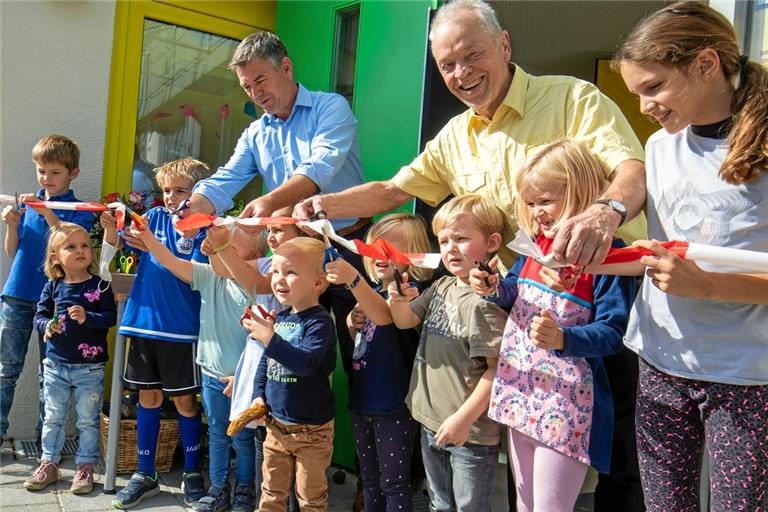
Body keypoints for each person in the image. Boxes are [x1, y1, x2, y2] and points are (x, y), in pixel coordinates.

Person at [296, 0, 646, 269]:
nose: (462, 73)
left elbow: (631, 170)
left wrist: (604, 213)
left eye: (473, 54)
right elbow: (392, 191)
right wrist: (324, 204)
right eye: (447, 65)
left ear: (504, 45)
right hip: (530, 298)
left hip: (608, 287)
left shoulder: (572, 98)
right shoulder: (453, 138)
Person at [611, 2, 768, 510]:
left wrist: (708, 287)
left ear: (705, 64)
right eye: (637, 93)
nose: (644, 106)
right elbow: (661, 254)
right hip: (661, 359)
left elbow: (695, 274)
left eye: (653, 87)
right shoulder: (660, 147)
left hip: (746, 377)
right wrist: (589, 259)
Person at [185, 30, 368, 402]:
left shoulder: (330, 108)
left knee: (359, 355)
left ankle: (363, 454)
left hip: (345, 247)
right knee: (287, 357)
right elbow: (227, 178)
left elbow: (320, 168)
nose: (255, 94)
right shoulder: (255, 133)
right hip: (293, 256)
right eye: (246, 87)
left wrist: (269, 202)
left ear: (285, 68)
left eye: (260, 81)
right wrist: (198, 202)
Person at [469, 139, 635, 511]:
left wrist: (563, 338)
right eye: (530, 203)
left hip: (565, 405)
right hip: (518, 394)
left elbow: (613, 333)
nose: (536, 212)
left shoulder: (610, 257)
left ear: (581, 190)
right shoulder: (537, 246)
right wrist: (494, 287)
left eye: (545, 200)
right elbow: (513, 291)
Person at [387, 195, 508, 512]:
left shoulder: (486, 302)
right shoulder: (441, 287)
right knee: (439, 504)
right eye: (443, 241)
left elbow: (496, 371)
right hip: (431, 421)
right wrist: (397, 300)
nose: (451, 248)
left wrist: (461, 420)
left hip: (470, 433)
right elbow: (404, 320)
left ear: (492, 242)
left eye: (461, 238)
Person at [131, 223, 263, 512]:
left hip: (241, 379)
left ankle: (244, 490)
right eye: (215, 246)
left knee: (243, 438)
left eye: (229, 246)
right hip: (212, 374)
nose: (215, 250)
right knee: (216, 432)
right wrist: (149, 238)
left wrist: (244, 377)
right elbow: (170, 261)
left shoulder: (255, 284)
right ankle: (218, 488)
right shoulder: (208, 277)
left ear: (254, 254)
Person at [110, 158, 212, 510]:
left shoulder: (203, 228)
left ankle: (193, 472)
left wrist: (151, 243)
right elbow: (123, 246)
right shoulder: (151, 218)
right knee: (147, 399)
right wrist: (113, 229)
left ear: (199, 193)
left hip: (181, 329)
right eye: (167, 190)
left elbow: (190, 275)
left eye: (180, 191)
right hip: (142, 322)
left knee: (185, 401)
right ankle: (145, 472)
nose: (171, 197)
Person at [324, 213, 433, 512]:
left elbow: (386, 317)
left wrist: (354, 280)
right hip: (363, 402)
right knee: (369, 479)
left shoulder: (411, 295)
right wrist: (350, 321)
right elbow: (364, 335)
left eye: (392, 247)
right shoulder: (373, 294)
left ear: (414, 255)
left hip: (393, 407)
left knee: (395, 484)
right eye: (374, 247)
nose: (380, 254)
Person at [0, 134, 93, 446]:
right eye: (42, 171)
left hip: (56, 301)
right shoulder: (28, 204)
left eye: (55, 172)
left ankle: (46, 443)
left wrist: (47, 212)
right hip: (17, 294)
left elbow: (65, 240)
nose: (46, 178)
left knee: (49, 374)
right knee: (5, 369)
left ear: (73, 173)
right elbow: (14, 252)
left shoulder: (80, 209)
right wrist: (12, 224)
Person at [243, 237, 337, 512]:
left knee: (310, 498)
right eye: (275, 271)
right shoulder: (282, 318)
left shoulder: (319, 323)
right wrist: (258, 397)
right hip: (276, 425)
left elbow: (305, 363)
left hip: (312, 431)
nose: (279, 279)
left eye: (290, 272)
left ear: (318, 283)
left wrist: (270, 338)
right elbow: (265, 365)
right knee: (271, 493)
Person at [22, 222, 116, 493]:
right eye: (71, 247)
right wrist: (47, 327)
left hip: (90, 367)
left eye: (85, 245)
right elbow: (39, 316)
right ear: (55, 257)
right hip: (55, 365)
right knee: (53, 417)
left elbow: (110, 317)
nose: (80, 251)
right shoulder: (52, 287)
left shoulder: (101, 285)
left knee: (87, 419)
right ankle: (49, 463)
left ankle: (85, 467)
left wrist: (88, 317)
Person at [220, 210, 301, 512]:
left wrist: (221, 247)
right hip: (260, 365)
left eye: (279, 230)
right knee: (263, 447)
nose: (271, 236)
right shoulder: (268, 262)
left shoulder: (301, 269)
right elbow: (225, 269)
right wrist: (215, 244)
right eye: (269, 230)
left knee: (288, 452)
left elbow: (254, 281)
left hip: (287, 372)